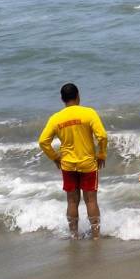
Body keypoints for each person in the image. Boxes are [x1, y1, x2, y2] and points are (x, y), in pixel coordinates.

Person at [38, 83, 107, 240]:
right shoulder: (89, 113)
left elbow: (43, 141)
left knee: (71, 200)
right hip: (88, 163)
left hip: (68, 164)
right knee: (90, 200)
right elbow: (102, 136)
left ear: (62, 99)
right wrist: (101, 154)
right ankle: (96, 235)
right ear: (78, 96)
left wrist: (55, 157)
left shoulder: (56, 118)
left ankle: (74, 234)